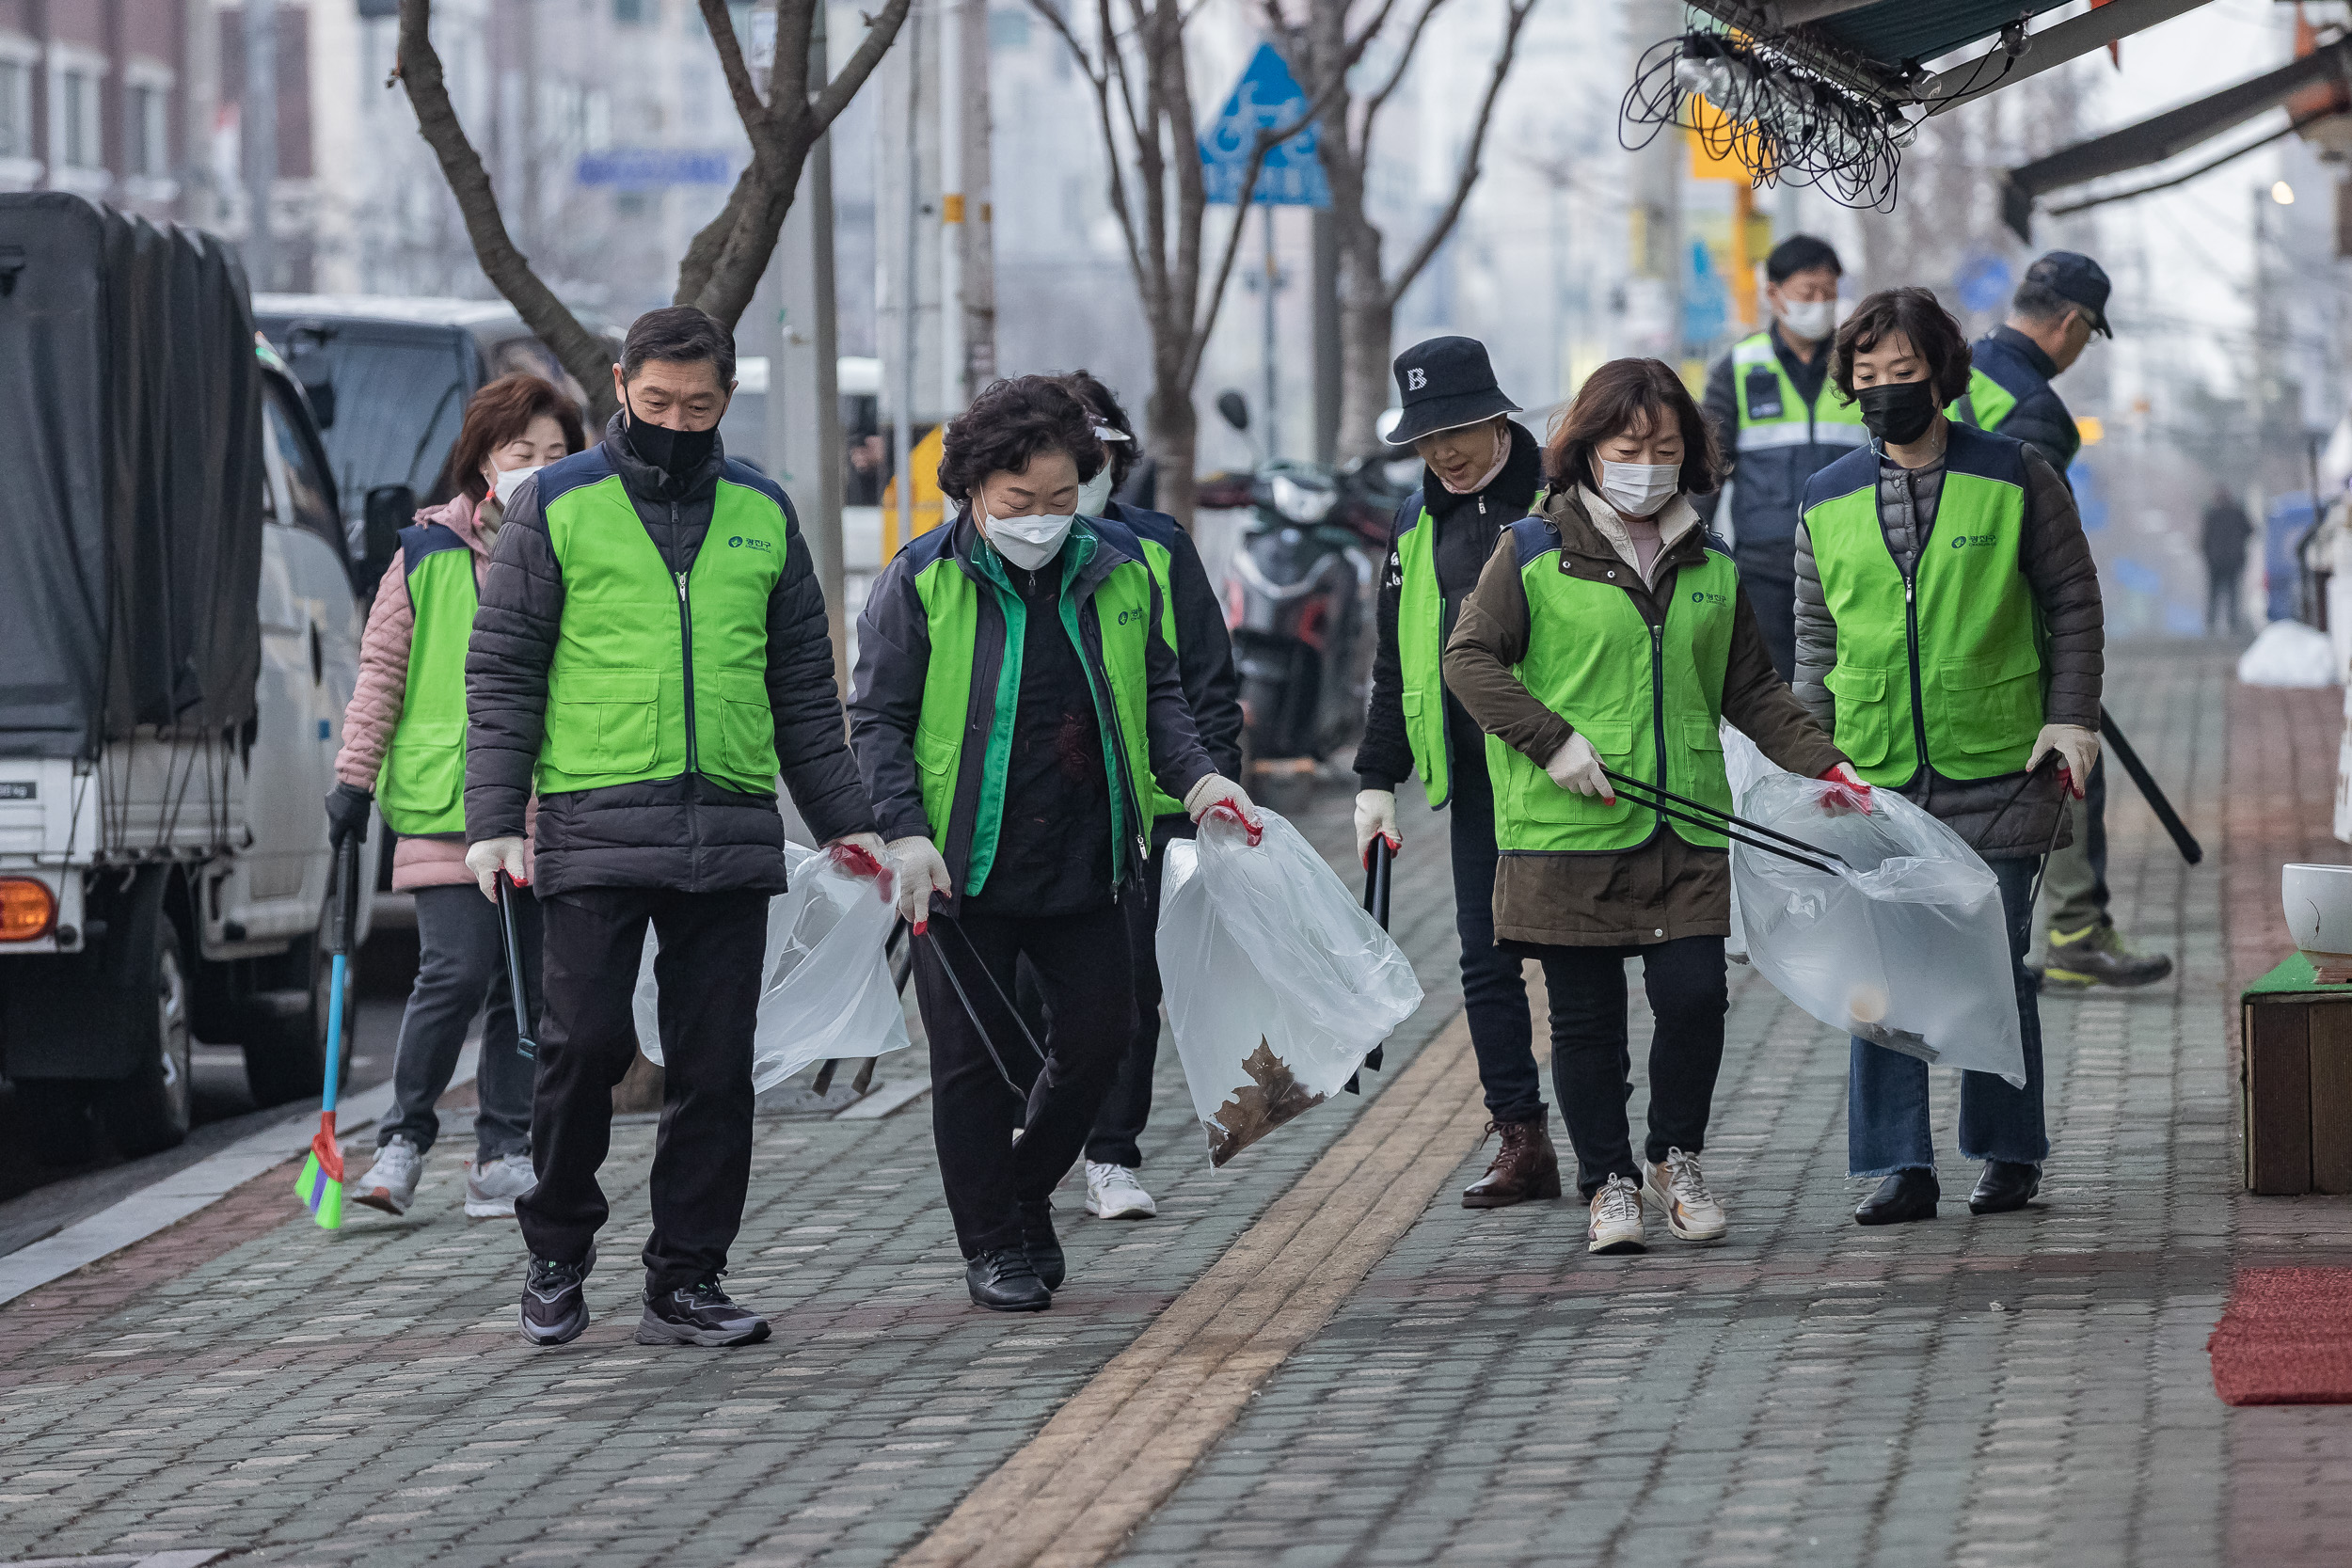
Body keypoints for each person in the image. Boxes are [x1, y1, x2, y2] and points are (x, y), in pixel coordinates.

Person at [465, 307, 884, 1349]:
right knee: (582, 1046)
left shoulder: (759, 510)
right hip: (594, 819)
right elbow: (505, 670)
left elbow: (802, 686)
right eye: (655, 402)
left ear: (725, 398)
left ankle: (685, 1277)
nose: (675, 419)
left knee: (714, 1068)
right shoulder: (558, 503)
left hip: (731, 827)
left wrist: (849, 823)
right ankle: (556, 1254)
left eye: (697, 405)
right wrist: (491, 821)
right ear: (620, 384)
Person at [850, 375, 1251, 1312]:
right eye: (1018, 502)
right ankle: (992, 1241)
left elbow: (1158, 694)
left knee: (1101, 1043)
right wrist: (904, 835)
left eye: (1063, 498)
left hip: (1088, 853)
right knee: (974, 1066)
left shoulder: (1117, 567)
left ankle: (1020, 1191)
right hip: (961, 868)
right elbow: (874, 721)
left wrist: (1198, 777)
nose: (1042, 518)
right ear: (973, 492)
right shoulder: (920, 582)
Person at [1443, 357, 1857, 1255]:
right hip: (1566, 832)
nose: (1647, 462)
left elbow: (1752, 688)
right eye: (1628, 446)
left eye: (1666, 447)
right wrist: (1553, 741)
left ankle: (1675, 1156)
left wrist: (1828, 766)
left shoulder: (1709, 561)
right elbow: (1467, 660)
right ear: (1588, 450)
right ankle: (1609, 1183)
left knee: (1695, 997)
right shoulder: (1532, 551)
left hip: (1687, 826)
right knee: (1586, 1022)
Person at [1794, 287, 2105, 1226]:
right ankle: (1899, 1161)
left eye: (1904, 373)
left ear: (1942, 374)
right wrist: (1814, 761)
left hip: (1999, 759)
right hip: (1875, 771)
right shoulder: (1826, 496)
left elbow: (2073, 600)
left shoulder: (2014, 475)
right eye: (1868, 376)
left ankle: (2006, 1149)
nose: (1886, 389)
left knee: (1989, 957)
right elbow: (1814, 640)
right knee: (1879, 966)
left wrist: (2071, 715)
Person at [330, 375, 584, 1221]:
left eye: (558, 454)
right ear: (483, 458)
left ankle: (503, 1153)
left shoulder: (581, 545)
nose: (542, 469)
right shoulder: (425, 553)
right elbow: (381, 675)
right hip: (448, 801)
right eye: (524, 454)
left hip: (550, 805)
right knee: (455, 971)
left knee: (526, 986)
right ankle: (402, 1139)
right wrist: (352, 781)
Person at [1352, 335, 1554, 1208]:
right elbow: (1395, 663)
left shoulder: (1564, 498)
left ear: (1499, 417)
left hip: (1565, 769)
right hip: (1473, 781)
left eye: (1461, 430)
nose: (1445, 453)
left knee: (1586, 963)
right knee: (1484, 960)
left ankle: (1623, 1148)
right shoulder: (1412, 523)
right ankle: (1521, 1136)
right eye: (1428, 439)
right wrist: (1373, 780)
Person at [1048, 371, 1244, 1223]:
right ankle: (1034, 1136)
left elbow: (1201, 681)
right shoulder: (968, 552)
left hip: (1147, 813)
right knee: (1025, 987)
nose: (1084, 470)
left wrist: (1212, 804)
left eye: (1099, 453)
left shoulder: (1155, 546)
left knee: (1127, 991)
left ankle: (1110, 1153)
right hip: (1021, 816)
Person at [1954, 252, 2169, 993]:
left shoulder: (1961, 367)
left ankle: (1982, 944)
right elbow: (2039, 541)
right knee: (2070, 765)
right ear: (2072, 324)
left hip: (1928, 612)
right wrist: (2064, 654)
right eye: (2091, 335)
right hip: (2005, 621)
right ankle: (2076, 931)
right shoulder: (2035, 407)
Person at [1695, 235, 1865, 681]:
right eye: (1808, 292)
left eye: (1829, 293)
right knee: (1774, 695)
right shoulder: (1738, 368)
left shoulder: (1861, 366)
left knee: (1852, 688)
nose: (1821, 304)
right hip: (1767, 570)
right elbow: (1707, 468)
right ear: (1773, 294)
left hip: (1854, 563)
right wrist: (1689, 545)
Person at [2202, 486, 2254, 636]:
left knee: (2214, 593)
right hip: (2233, 560)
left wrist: (2209, 554)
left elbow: (2205, 538)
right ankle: (2232, 624)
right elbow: (2250, 530)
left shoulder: (2211, 515)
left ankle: (2211, 623)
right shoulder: (2237, 513)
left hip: (2215, 561)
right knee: (2232, 593)